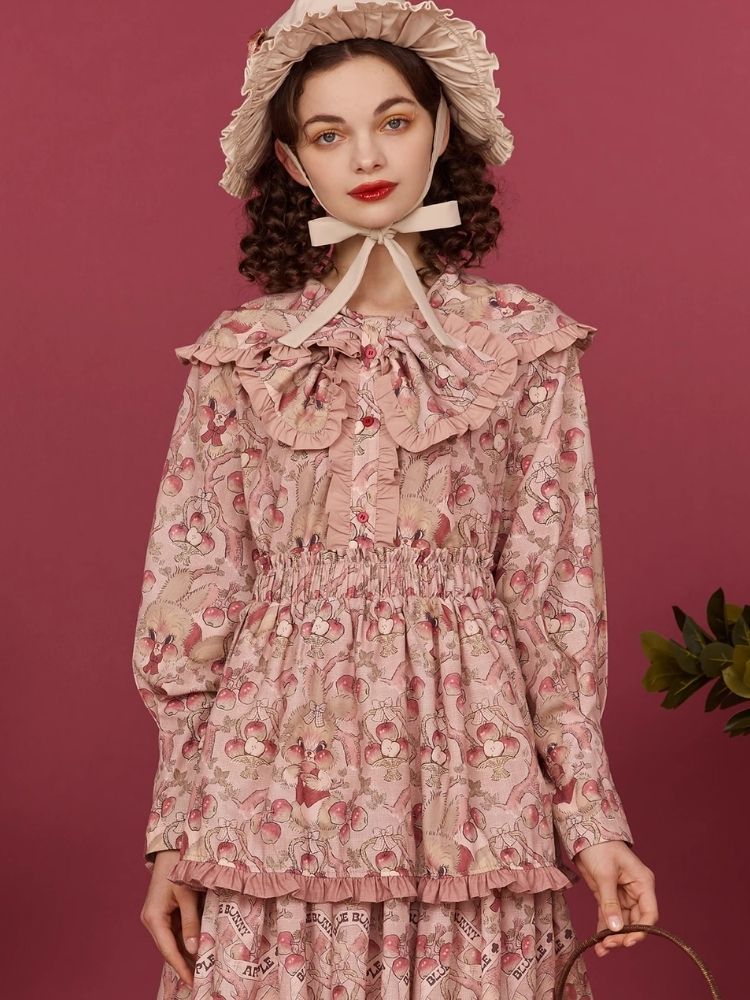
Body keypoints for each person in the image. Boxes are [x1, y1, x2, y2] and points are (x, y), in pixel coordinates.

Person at [132, 2, 658, 996]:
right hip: (270, 789)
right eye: (329, 133)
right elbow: (195, 593)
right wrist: (174, 834)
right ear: (293, 163)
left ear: (441, 128)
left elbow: (553, 596)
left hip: (471, 786)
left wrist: (594, 821)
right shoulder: (242, 355)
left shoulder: (522, 342)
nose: (366, 155)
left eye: (394, 120)